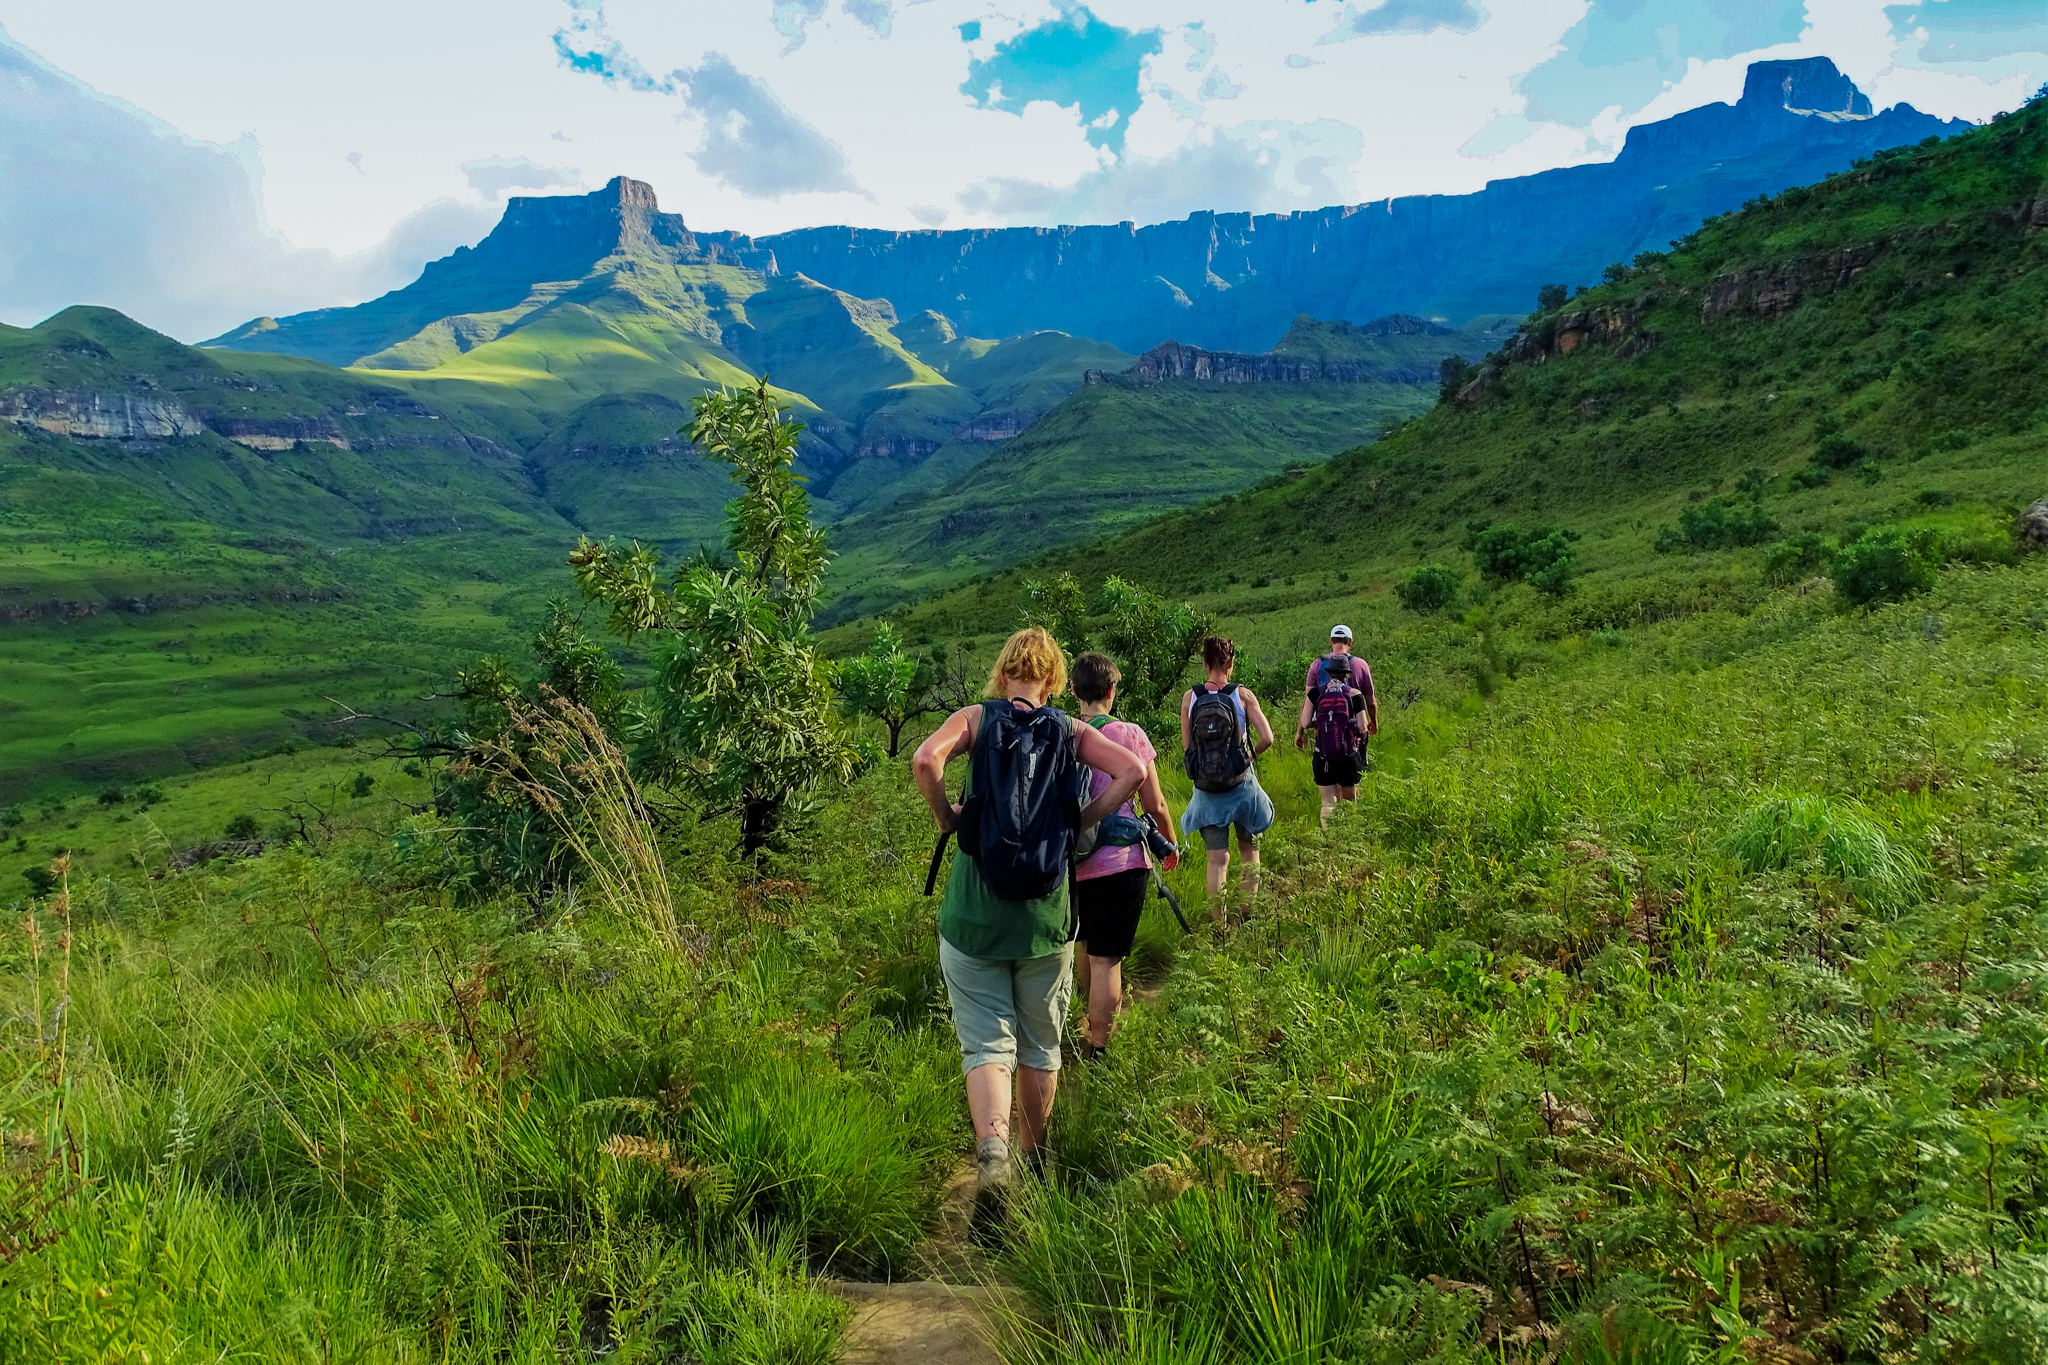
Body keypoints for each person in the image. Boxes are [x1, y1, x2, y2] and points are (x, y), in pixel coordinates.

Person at [911, 628, 1144, 1200]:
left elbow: (924, 759)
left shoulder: (975, 719)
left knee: (987, 1046)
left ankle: (992, 1156)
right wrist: (1081, 823)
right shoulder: (1069, 729)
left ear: (1003, 674)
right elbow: (1133, 771)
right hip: (1046, 920)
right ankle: (1034, 1169)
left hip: (974, 918)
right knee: (1040, 1045)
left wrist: (949, 819)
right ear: (1053, 679)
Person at [1070, 651, 1180, 1062]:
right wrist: (1169, 844)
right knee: (1107, 960)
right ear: (1112, 691)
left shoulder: (1066, 733)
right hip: (1121, 864)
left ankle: (1086, 1018)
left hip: (1073, 863)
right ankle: (1100, 1047)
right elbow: (1155, 802)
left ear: (1074, 691)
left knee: (1084, 946)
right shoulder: (1130, 735)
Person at [1179, 636, 1275, 925]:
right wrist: (1246, 757)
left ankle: (1219, 926)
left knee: (1217, 860)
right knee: (1250, 851)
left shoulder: (1189, 698)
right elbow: (1267, 738)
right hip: (1242, 787)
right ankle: (1247, 918)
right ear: (1231, 663)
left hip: (1207, 792)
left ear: (1205, 663)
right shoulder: (1243, 696)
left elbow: (1188, 750)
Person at [1295, 624, 1378, 828]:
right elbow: (1362, 725)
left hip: (1323, 749)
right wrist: (1370, 722)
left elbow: (1305, 720)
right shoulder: (1355, 691)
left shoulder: (1316, 675)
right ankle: (1348, 839)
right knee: (1349, 800)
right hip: (1349, 750)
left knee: (1327, 802)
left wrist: (1315, 724)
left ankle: (1329, 841)